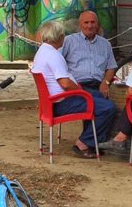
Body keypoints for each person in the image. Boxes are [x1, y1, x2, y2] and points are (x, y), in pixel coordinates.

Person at [32, 20, 115, 158]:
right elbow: (65, 83)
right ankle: (83, 142)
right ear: (60, 38)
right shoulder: (53, 55)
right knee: (108, 107)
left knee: (99, 98)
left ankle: (94, 141)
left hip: (51, 103)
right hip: (61, 103)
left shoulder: (43, 51)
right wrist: (81, 92)